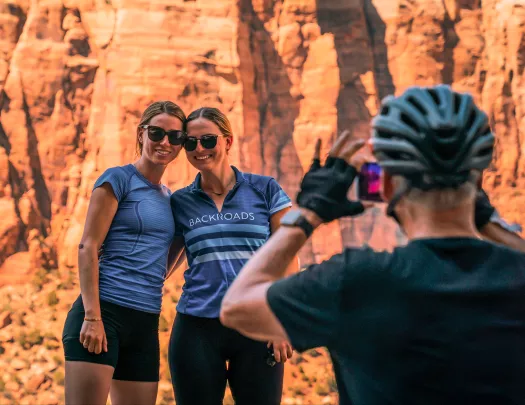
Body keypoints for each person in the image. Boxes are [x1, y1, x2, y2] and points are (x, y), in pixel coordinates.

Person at [220, 85, 525, 405]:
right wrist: (489, 221)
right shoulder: (516, 276)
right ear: (477, 181)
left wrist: (309, 212)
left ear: (388, 185)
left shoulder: (357, 280)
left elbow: (238, 306)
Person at [167, 107, 298, 405]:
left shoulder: (264, 189)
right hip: (197, 328)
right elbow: (162, 263)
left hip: (258, 325)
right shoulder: (180, 202)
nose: (199, 149)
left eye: (208, 140)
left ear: (227, 141)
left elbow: (288, 255)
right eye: (190, 143)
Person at [62, 101, 187, 405]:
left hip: (145, 322)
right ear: (142, 133)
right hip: (104, 313)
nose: (165, 142)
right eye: (157, 133)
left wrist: (152, 280)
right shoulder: (118, 179)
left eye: (175, 137)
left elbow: (172, 252)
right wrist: (92, 317)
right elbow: (88, 245)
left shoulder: (169, 199)